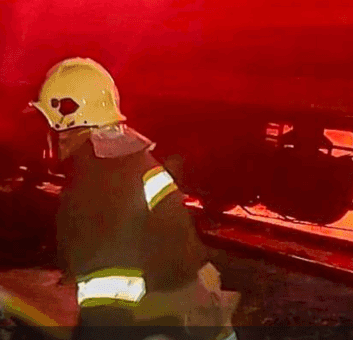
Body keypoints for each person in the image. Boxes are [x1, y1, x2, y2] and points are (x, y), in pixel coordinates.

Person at [30, 58, 239, 340]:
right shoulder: (133, 158)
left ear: (65, 122)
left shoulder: (96, 186)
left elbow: (108, 302)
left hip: (173, 326)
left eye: (47, 123)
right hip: (202, 314)